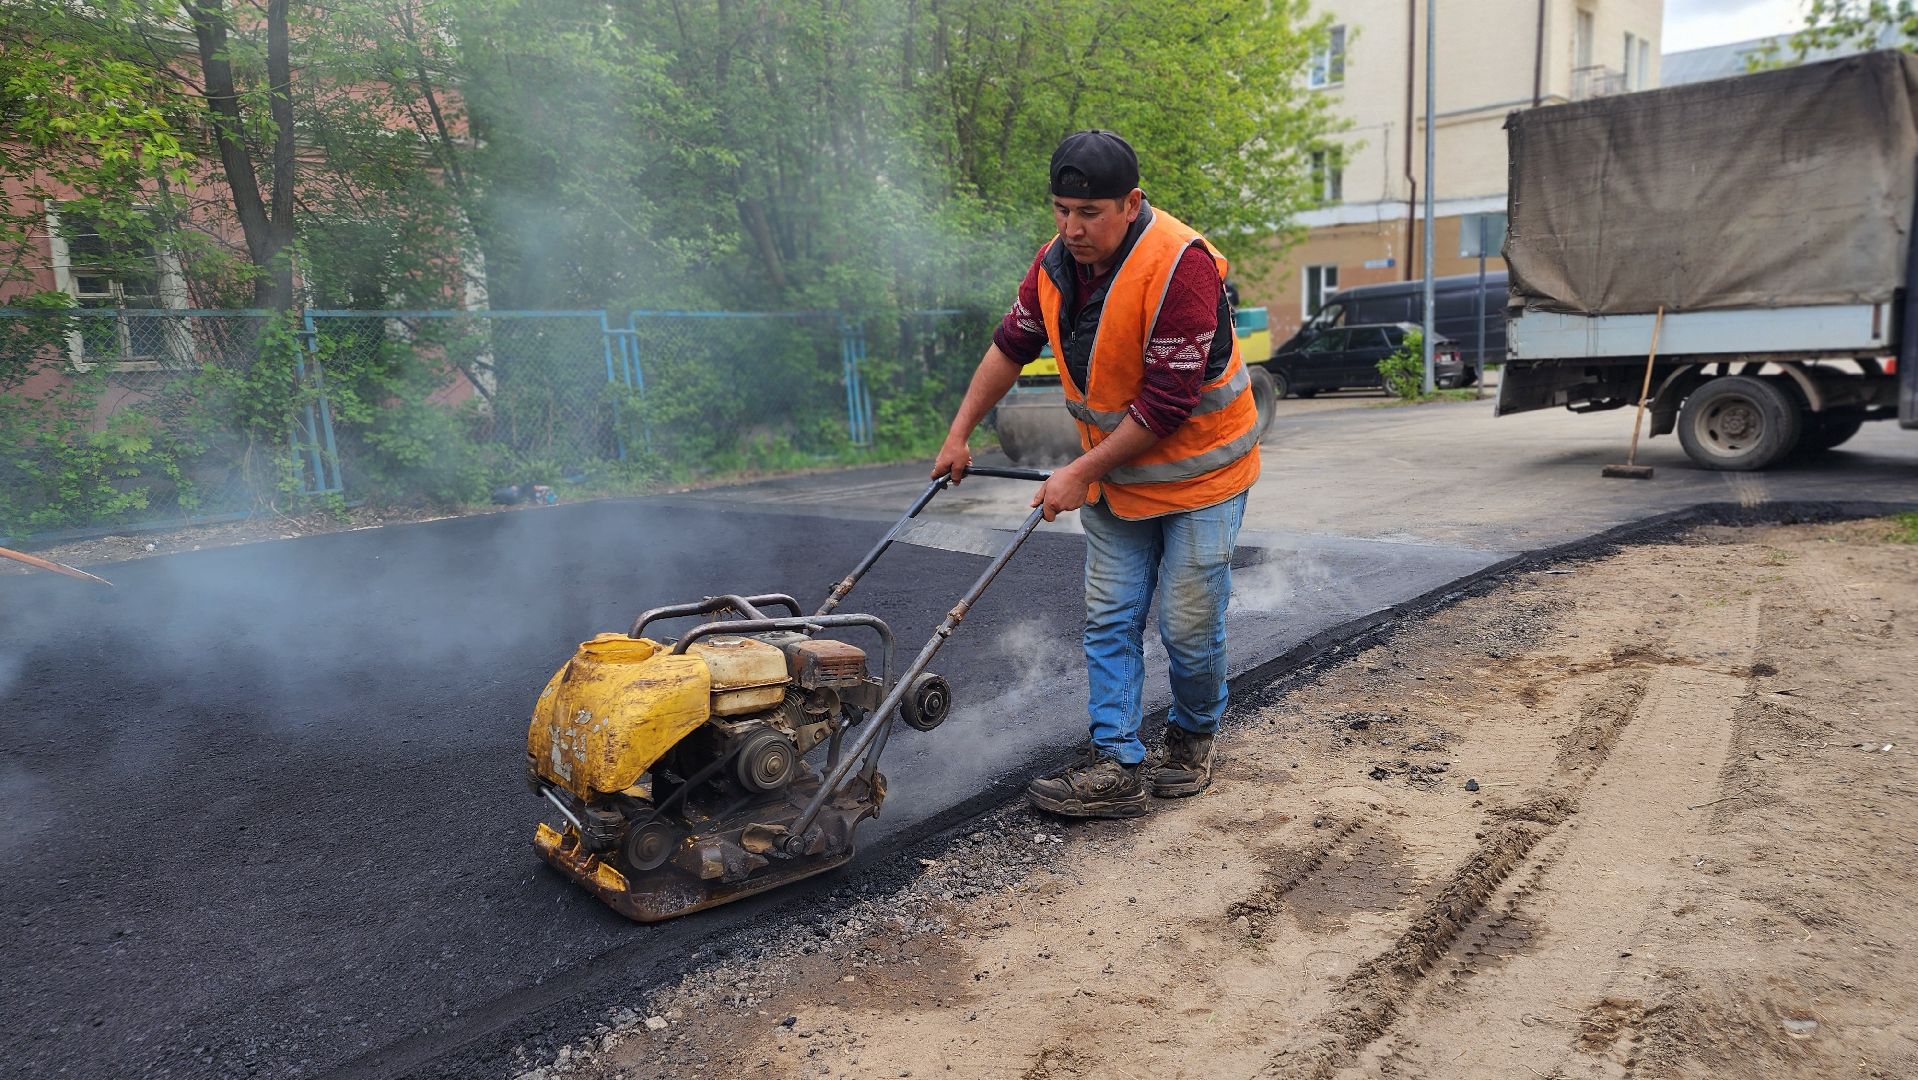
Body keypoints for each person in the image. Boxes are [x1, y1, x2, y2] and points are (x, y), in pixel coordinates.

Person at [931, 130, 1261, 819]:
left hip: (1202, 479)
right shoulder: (1053, 267)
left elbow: (1167, 402)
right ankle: (1114, 762)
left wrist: (1078, 471)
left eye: (1090, 214)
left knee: (1188, 628)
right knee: (1109, 618)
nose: (1072, 228)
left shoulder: (1180, 266)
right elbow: (1009, 347)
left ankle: (1193, 738)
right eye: (1060, 210)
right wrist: (959, 434)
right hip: (1118, 480)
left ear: (1131, 203)